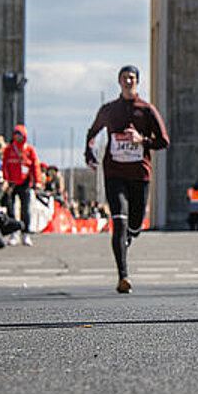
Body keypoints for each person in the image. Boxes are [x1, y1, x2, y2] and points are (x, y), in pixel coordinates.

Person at [83, 64, 170, 294]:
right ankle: (123, 275)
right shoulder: (109, 110)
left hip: (139, 174)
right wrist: (89, 153)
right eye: (124, 78)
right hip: (114, 173)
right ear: (119, 81)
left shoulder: (146, 110)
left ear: (137, 81)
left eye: (131, 78)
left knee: (135, 224)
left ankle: (131, 235)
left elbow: (163, 141)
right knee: (118, 222)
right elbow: (92, 133)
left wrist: (141, 140)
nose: (128, 81)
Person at [1, 125, 41, 245]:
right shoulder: (8, 149)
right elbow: (4, 166)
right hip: (12, 183)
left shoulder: (29, 150)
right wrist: (6, 180)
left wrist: (37, 181)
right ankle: (14, 233)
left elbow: (35, 166)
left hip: (25, 183)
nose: (18, 137)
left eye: (20, 135)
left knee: (25, 209)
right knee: (11, 209)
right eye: (16, 134)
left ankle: (26, 233)